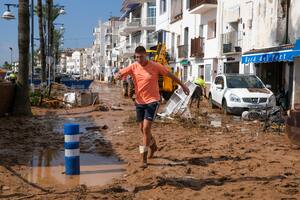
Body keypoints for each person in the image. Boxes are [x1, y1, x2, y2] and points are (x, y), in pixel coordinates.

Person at [115, 46, 190, 168]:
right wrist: (117, 75)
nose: (139, 59)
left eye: (141, 57)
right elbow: (120, 73)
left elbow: (170, 75)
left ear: (146, 56)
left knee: (145, 129)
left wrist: (183, 86)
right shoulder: (133, 66)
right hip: (139, 102)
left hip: (153, 101)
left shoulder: (155, 66)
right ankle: (153, 145)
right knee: (142, 129)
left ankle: (143, 160)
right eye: (137, 57)